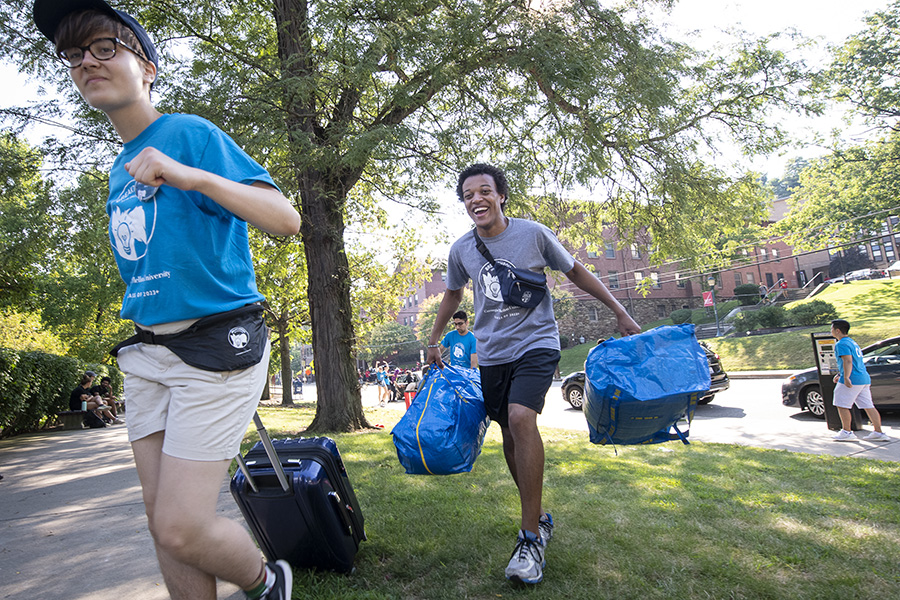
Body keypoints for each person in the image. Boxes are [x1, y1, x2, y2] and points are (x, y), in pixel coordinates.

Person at [32, 2, 300, 599]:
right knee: (163, 528)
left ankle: (266, 581)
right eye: (74, 55)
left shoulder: (187, 134)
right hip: (148, 354)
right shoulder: (116, 169)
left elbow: (286, 219)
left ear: (147, 67)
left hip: (216, 346)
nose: (86, 63)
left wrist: (191, 175)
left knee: (181, 526)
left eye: (104, 48)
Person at [425, 163, 641, 585]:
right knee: (508, 434)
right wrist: (434, 339)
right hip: (492, 354)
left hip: (537, 343)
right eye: (468, 195)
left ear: (501, 195)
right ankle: (538, 516)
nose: (476, 200)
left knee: (523, 418)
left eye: (484, 191)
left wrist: (619, 310)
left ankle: (529, 539)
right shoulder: (461, 249)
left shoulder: (533, 233)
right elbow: (452, 293)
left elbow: (576, 271)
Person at [830, 319, 890, 442]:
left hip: (852, 379)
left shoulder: (841, 344)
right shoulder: (852, 342)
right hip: (863, 378)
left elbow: (847, 360)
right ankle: (878, 432)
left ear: (837, 330)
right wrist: (841, 374)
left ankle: (847, 432)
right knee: (868, 405)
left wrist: (845, 377)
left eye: (831, 328)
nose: (830, 331)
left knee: (841, 404)